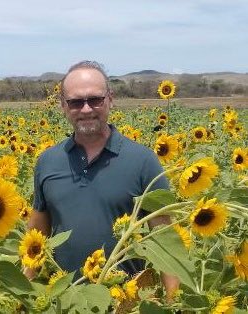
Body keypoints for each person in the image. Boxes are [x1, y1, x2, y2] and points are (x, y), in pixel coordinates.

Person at [26, 60, 179, 299]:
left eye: (94, 99)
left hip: (126, 300)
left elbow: (164, 239)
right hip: (63, 299)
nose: (86, 109)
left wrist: (173, 302)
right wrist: (25, 293)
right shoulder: (48, 161)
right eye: (76, 102)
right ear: (63, 106)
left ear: (110, 99)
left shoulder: (143, 161)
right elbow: (37, 233)